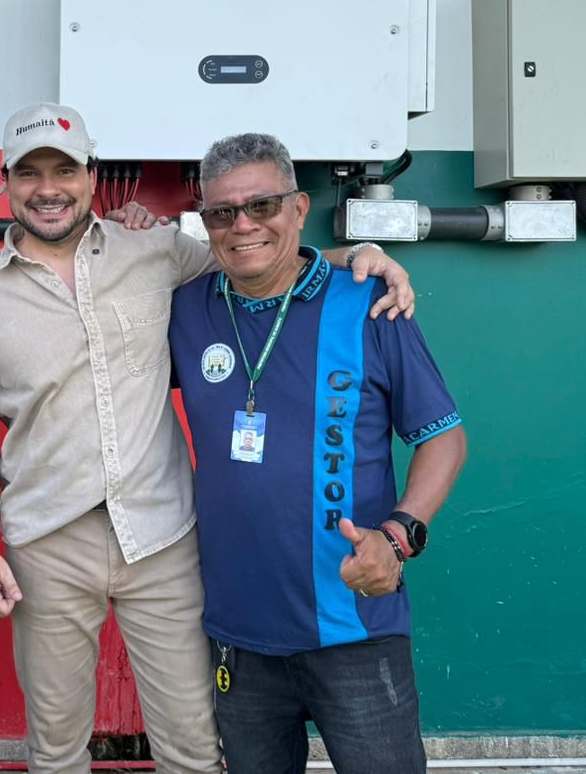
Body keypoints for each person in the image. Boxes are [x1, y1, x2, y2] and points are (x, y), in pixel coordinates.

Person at [0, 103, 417, 774]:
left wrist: (354, 257)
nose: (48, 187)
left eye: (63, 170)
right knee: (54, 747)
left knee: (193, 746)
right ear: (5, 182)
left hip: (161, 535)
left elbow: (256, 257)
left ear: (91, 174)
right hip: (47, 540)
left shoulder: (156, 250)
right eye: (29, 173)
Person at [167, 133, 467, 774]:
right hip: (237, 635)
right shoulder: (184, 307)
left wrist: (400, 534)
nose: (242, 225)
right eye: (222, 213)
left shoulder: (369, 303)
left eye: (263, 206)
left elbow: (443, 435)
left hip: (355, 625)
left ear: (299, 208)